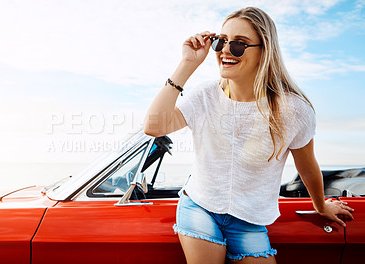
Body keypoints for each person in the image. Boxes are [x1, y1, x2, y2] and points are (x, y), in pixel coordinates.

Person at [143, 6, 354, 264]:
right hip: (199, 207)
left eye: (240, 45)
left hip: (249, 221)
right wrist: (187, 64)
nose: (226, 51)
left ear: (264, 51)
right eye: (221, 42)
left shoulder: (294, 110)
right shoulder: (205, 95)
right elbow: (154, 126)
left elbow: (307, 164)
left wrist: (320, 206)